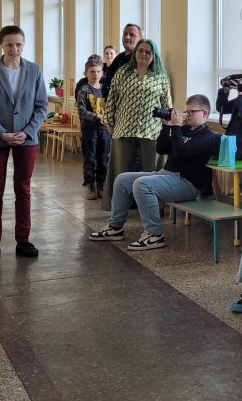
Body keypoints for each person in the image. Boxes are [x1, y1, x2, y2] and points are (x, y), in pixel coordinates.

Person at [89, 95, 216, 250]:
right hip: (166, 174)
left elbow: (181, 154)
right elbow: (161, 149)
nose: (187, 115)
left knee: (142, 184)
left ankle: (155, 235)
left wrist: (176, 127)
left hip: (187, 184)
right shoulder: (184, 130)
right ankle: (115, 228)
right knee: (122, 179)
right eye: (186, 111)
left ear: (204, 113)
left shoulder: (207, 136)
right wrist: (167, 126)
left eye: (191, 112)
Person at [0, 25, 48, 261]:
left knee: (23, 189)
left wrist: (27, 132)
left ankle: (23, 240)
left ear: (23, 45)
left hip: (26, 139)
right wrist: (1, 133)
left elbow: (41, 106)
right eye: (9, 45)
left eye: (18, 45)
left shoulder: (34, 70)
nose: (14, 49)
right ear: (1, 45)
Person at [100, 39, 172, 210]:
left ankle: (153, 207)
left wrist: (168, 128)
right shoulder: (123, 72)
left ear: (154, 55)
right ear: (135, 53)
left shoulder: (160, 76)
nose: (143, 54)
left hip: (152, 130)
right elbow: (112, 98)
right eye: (140, 50)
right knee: (120, 172)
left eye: (148, 52)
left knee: (153, 172)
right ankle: (117, 207)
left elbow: (167, 104)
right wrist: (109, 122)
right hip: (124, 128)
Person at [77, 57, 110, 200]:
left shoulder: (105, 90)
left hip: (104, 130)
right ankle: (90, 185)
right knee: (90, 159)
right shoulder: (83, 90)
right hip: (89, 130)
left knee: (103, 159)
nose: (95, 74)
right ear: (86, 73)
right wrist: (96, 116)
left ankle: (101, 184)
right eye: (92, 72)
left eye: (98, 71)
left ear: (102, 73)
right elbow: (81, 111)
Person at [101, 23, 142, 98]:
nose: (127, 37)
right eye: (125, 34)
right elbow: (109, 78)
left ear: (140, 39)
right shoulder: (119, 57)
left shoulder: (139, 59)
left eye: (132, 35)